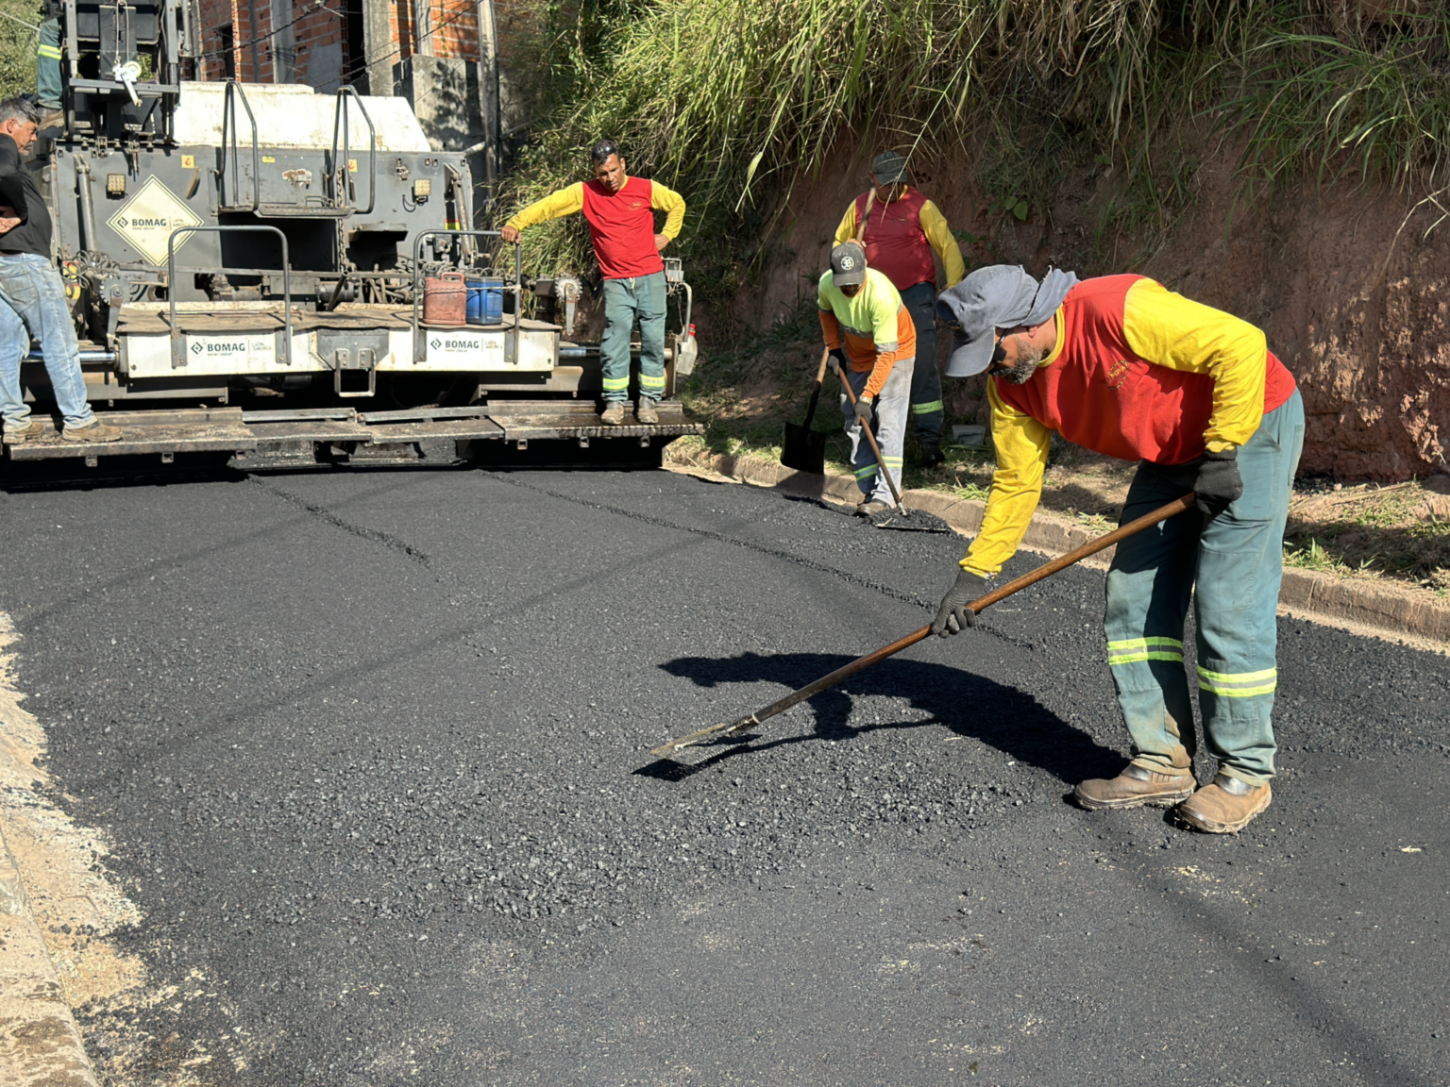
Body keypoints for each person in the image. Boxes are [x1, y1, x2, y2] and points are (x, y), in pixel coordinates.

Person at [930, 264, 1304, 834]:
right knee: (1133, 597)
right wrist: (974, 573)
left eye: (992, 348)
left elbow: (1242, 344)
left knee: (1229, 605)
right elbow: (1016, 482)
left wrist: (1223, 452)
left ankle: (1244, 775)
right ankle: (1162, 761)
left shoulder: (1114, 309)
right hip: (1171, 450)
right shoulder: (1012, 386)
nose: (990, 365)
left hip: (1248, 423)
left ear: (1025, 324)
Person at [500, 140, 685, 426]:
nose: (609, 178)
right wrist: (516, 222)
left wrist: (667, 235)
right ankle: (614, 401)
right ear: (595, 172)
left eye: (613, 170)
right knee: (616, 339)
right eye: (603, 174)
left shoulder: (645, 188)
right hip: (616, 281)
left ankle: (649, 400)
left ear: (622, 164)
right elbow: (549, 206)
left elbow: (677, 204)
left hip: (651, 277)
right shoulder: (585, 192)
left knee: (652, 339)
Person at [833, 150, 965, 468]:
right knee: (871, 364)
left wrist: (954, 286)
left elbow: (948, 245)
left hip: (914, 295)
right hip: (872, 299)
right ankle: (875, 441)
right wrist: (851, 249)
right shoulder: (859, 208)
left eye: (899, 184)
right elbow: (838, 247)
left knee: (921, 367)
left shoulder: (922, 206)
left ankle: (929, 441)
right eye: (887, 184)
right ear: (872, 178)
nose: (894, 190)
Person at [0, 97, 119, 445]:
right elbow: (5, 172)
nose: (32, 139)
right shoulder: (3, 145)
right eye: (31, 130)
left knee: (8, 346)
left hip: (7, 264)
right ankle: (79, 421)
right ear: (11, 124)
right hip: (26, 263)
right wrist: (20, 211)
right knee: (60, 341)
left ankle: (15, 421)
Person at [817, 241, 916, 515]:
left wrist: (868, 395)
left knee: (888, 421)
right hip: (860, 354)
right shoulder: (827, 285)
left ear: (865, 270)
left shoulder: (880, 295)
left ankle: (886, 496)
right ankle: (870, 490)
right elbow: (825, 313)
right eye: (843, 283)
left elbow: (886, 355)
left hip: (896, 351)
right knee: (855, 419)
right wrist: (834, 348)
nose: (849, 288)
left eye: (854, 282)